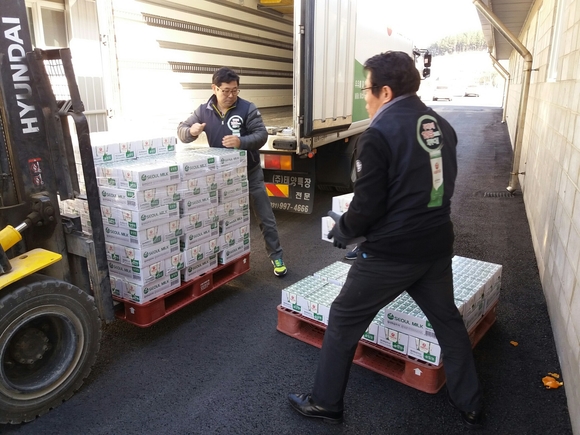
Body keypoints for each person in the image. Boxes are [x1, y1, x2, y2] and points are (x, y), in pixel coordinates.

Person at [288, 51, 484, 429]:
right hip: (436, 244)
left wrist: (341, 231)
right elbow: (442, 187)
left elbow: (367, 208)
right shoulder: (443, 125)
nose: (365, 96)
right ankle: (471, 402)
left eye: (367, 89)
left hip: (390, 253)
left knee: (344, 318)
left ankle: (326, 403)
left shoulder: (378, 134)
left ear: (386, 92)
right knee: (447, 322)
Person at [177, 67, 287, 277]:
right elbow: (182, 130)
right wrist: (190, 132)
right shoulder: (203, 110)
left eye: (235, 90)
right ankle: (220, 261)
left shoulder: (247, 108)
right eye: (226, 90)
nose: (230, 95)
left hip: (249, 172)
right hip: (221, 177)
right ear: (214, 88)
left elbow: (261, 135)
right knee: (218, 219)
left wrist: (241, 142)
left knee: (265, 217)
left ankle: (277, 257)